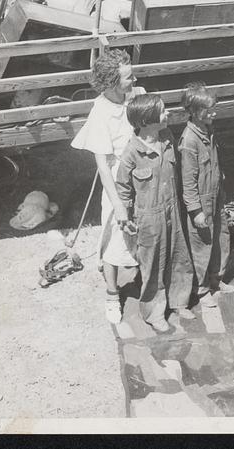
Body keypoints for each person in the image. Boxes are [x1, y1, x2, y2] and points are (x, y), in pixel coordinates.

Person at [70, 49, 145, 324]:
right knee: (115, 233)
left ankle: (144, 280)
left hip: (142, 172)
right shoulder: (100, 112)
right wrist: (118, 205)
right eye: (128, 77)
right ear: (112, 82)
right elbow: (103, 167)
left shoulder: (135, 95)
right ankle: (113, 294)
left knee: (144, 228)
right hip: (117, 178)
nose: (134, 79)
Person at [115, 94, 195, 333]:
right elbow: (123, 188)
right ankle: (154, 312)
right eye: (161, 112)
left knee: (180, 255)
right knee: (153, 266)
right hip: (148, 217)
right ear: (145, 121)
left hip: (172, 208)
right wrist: (126, 218)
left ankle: (179, 301)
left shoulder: (167, 138)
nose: (167, 114)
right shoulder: (131, 153)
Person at [178, 82, 234, 309]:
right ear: (194, 111)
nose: (214, 112)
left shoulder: (208, 130)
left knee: (221, 240)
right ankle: (201, 290)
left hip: (216, 198)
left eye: (214, 107)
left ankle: (216, 280)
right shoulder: (189, 141)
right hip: (201, 203)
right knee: (201, 248)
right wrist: (196, 210)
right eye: (208, 109)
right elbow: (188, 181)